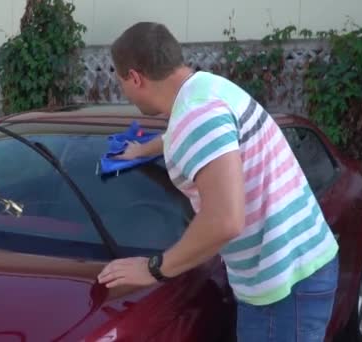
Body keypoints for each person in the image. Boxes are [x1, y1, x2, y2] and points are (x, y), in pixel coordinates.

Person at [96, 22, 339, 342]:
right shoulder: (205, 90)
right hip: (296, 268)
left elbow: (224, 221)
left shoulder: (195, 119)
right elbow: (201, 134)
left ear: (136, 77)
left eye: (121, 81)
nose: (123, 91)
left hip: (282, 289)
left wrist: (153, 269)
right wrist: (145, 148)